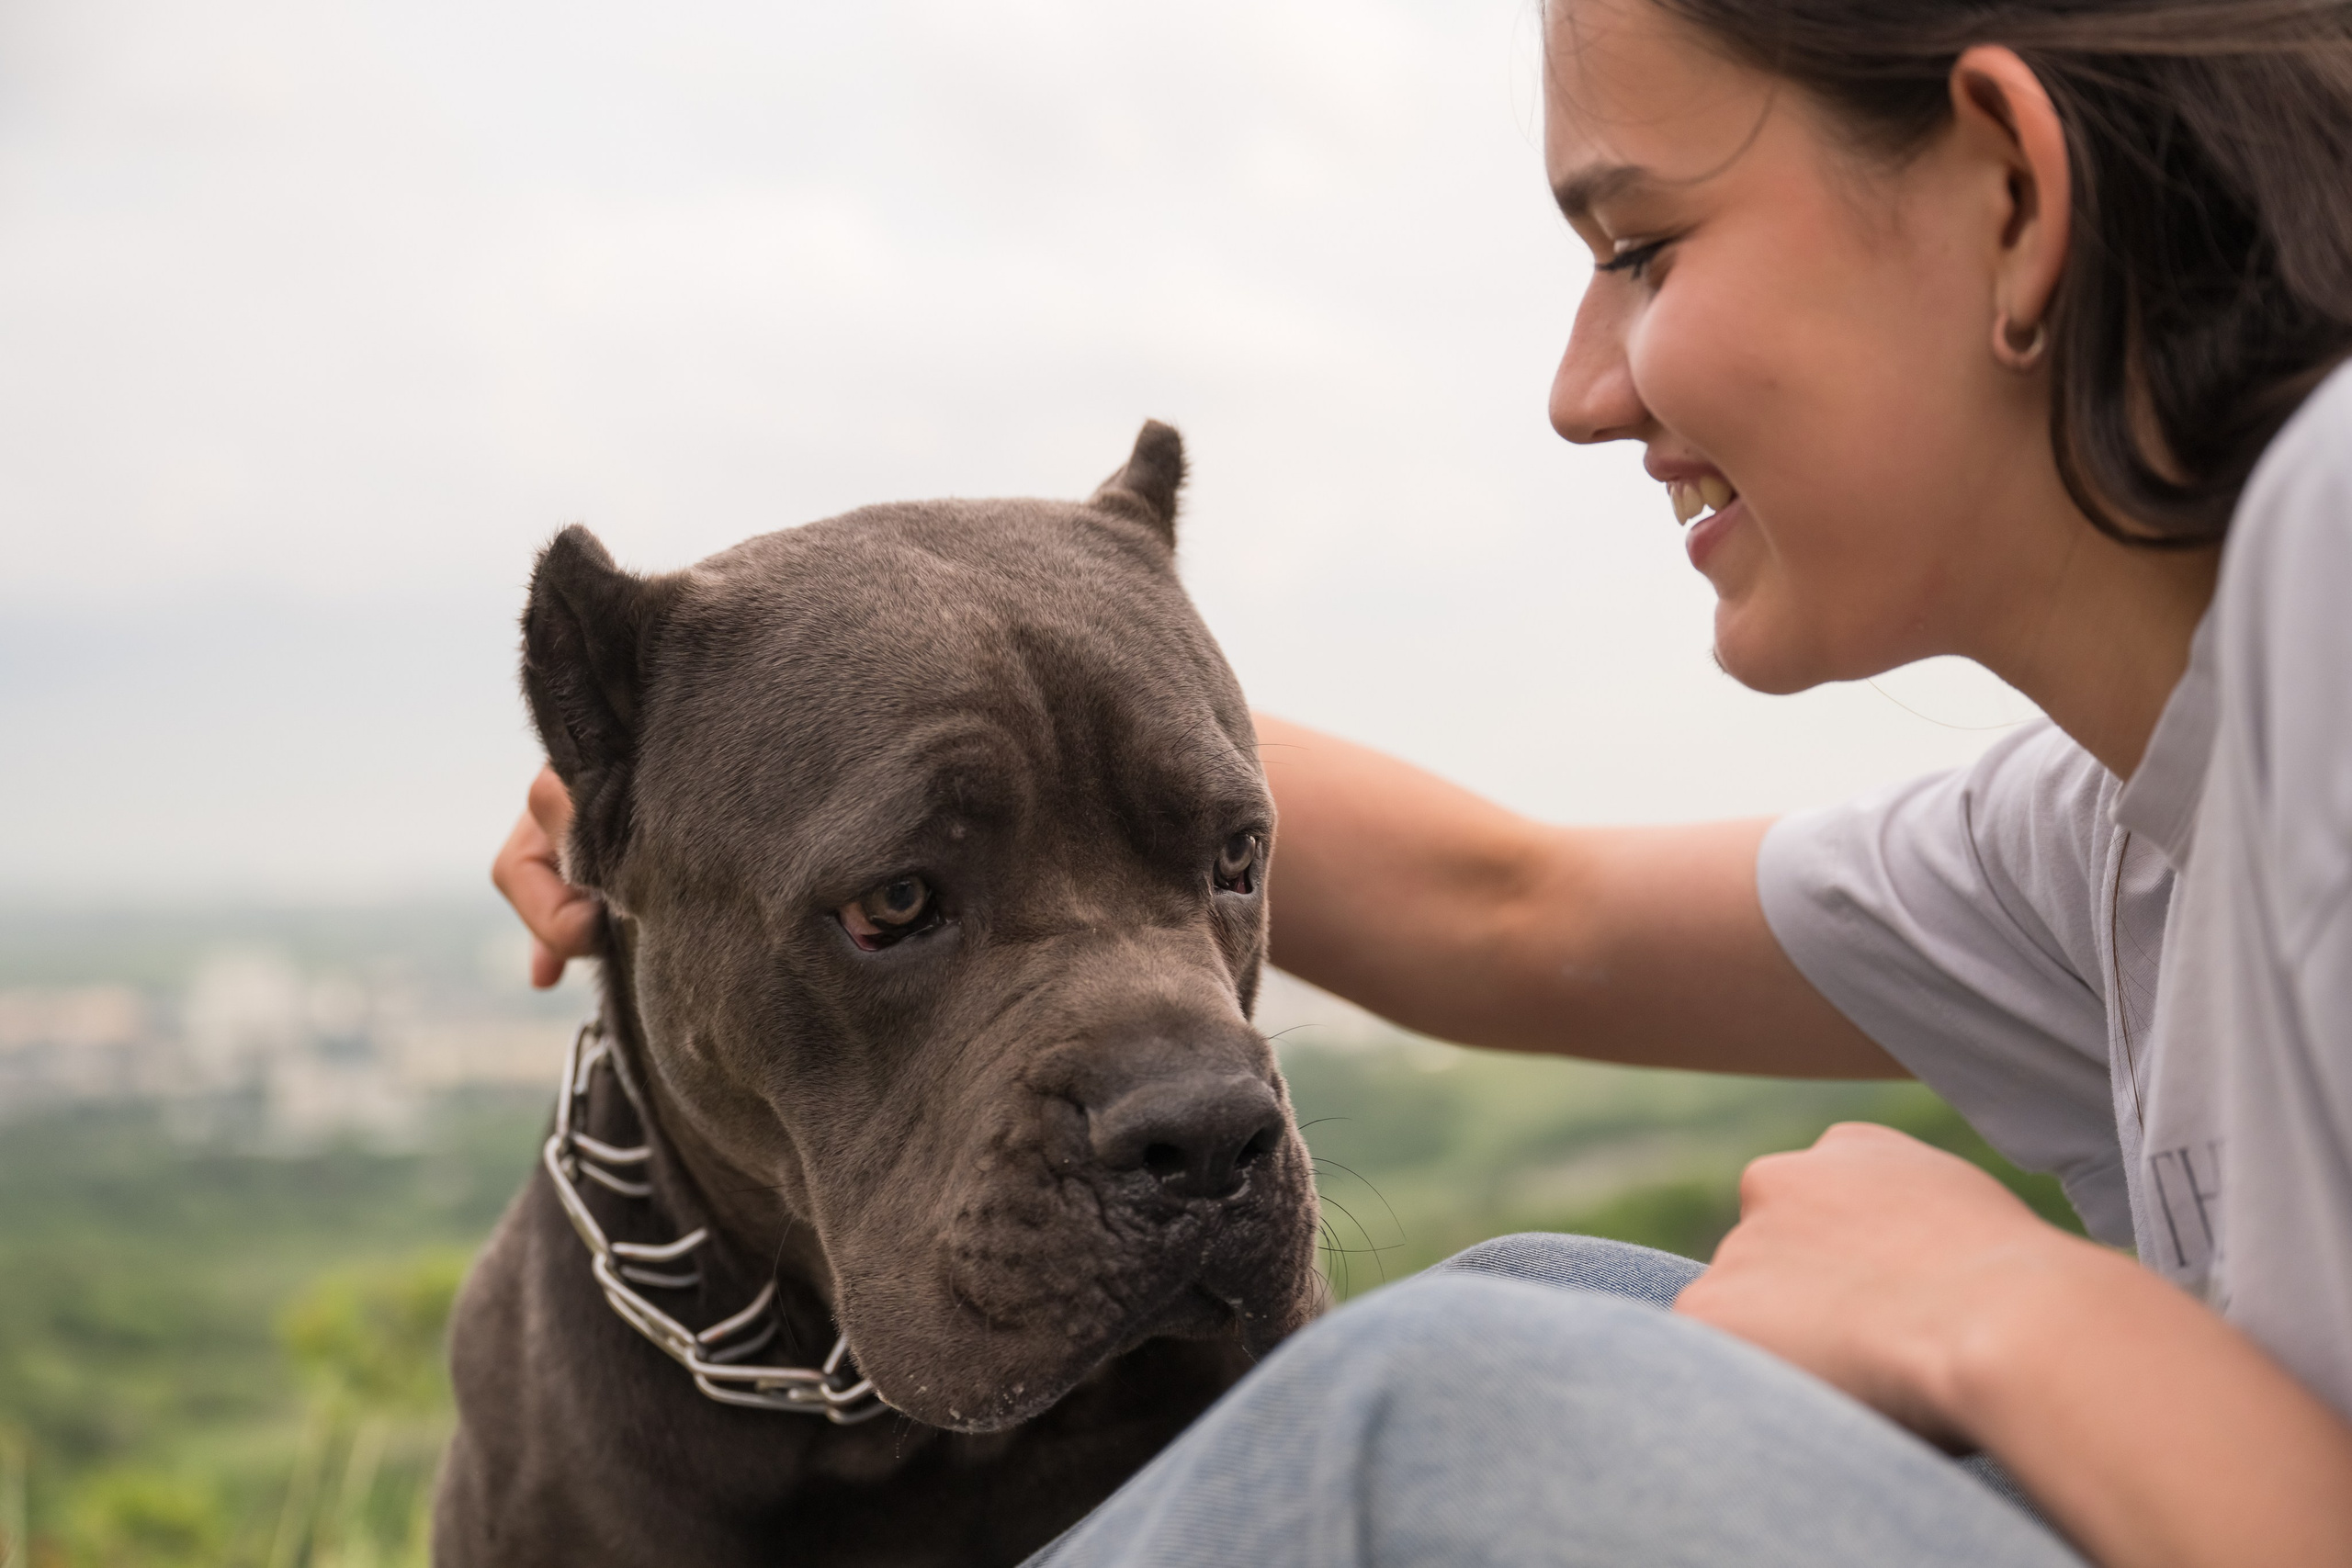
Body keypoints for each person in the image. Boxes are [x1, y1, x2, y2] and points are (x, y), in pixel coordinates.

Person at [493, 0, 2352, 1561]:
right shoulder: (2107, 831)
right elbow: (1512, 909)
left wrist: (2012, 1311)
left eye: (1639, 248)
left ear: (2012, 191)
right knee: (1521, 1303)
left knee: (1416, 1399)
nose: (1574, 388)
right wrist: (692, 761)